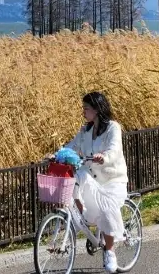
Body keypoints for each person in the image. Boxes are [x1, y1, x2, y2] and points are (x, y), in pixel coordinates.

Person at [63, 91, 128, 274]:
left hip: (112, 180)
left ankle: (110, 252)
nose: (83, 112)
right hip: (93, 179)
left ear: (97, 110)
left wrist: (103, 157)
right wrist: (58, 154)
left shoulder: (113, 128)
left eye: (86, 108)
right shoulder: (85, 130)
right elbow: (72, 146)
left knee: (107, 208)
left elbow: (114, 149)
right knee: (77, 177)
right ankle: (84, 215)